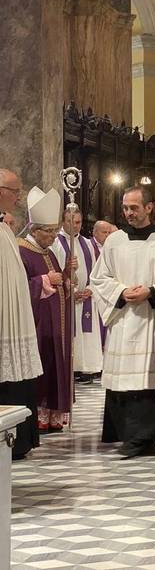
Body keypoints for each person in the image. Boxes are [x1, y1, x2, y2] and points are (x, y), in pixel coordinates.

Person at [90, 186, 155, 458]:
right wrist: (120, 291)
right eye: (125, 208)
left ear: (149, 207)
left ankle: (146, 438)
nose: (128, 213)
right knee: (123, 382)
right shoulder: (114, 241)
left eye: (134, 207)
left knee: (150, 381)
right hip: (124, 320)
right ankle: (128, 436)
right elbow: (99, 278)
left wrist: (152, 292)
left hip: (154, 320)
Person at [17, 187, 73, 434]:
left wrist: (67, 277)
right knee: (44, 365)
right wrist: (44, 280)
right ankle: (40, 415)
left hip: (56, 323)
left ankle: (53, 416)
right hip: (37, 323)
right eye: (48, 231)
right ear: (33, 229)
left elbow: (60, 283)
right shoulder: (20, 250)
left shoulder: (47, 251)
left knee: (55, 364)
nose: (53, 236)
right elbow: (17, 289)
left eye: (54, 231)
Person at [0, 170, 43, 459]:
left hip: (14, 317)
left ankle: (20, 440)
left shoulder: (5, 226)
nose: (19, 197)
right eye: (15, 191)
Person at [51, 209, 102, 384]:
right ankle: (70, 369)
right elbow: (54, 270)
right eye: (71, 221)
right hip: (67, 297)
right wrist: (71, 292)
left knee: (86, 333)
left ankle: (86, 368)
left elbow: (96, 270)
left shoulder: (87, 243)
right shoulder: (56, 242)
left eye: (78, 222)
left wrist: (90, 288)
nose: (75, 225)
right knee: (72, 332)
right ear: (63, 221)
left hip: (86, 296)